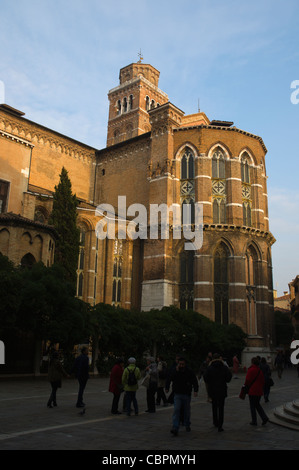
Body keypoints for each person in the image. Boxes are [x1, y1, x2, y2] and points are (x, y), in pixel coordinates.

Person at [165, 357, 198, 436]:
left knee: (186, 411)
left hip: (186, 393)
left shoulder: (189, 371)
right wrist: (167, 387)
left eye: (183, 364)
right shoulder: (175, 370)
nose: (181, 365)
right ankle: (175, 427)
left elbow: (194, 380)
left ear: (185, 364)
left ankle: (187, 424)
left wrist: (196, 390)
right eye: (180, 364)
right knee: (176, 409)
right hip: (177, 393)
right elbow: (169, 378)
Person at [203, 353, 232, 432]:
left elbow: (205, 378)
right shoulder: (224, 367)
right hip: (222, 389)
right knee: (221, 408)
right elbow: (228, 378)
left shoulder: (210, 368)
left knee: (214, 406)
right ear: (220, 358)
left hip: (213, 390)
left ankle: (215, 422)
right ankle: (220, 425)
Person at [244, 357, 269, 426]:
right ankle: (264, 417)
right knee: (257, 404)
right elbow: (263, 381)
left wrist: (245, 386)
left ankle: (254, 421)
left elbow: (247, 380)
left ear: (252, 362)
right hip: (259, 391)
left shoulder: (251, 369)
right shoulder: (259, 370)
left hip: (252, 390)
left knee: (252, 406)